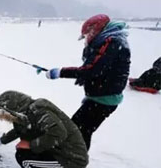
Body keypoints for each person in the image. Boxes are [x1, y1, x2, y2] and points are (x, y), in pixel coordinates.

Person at [45, 14, 131, 149]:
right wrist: (86, 78)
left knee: (79, 130)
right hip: (101, 97)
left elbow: (91, 69)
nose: (86, 40)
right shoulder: (112, 41)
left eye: (86, 36)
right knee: (79, 128)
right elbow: (101, 70)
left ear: (94, 31)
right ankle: (72, 156)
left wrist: (60, 72)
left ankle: (74, 160)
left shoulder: (111, 43)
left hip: (103, 99)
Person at [0, 91, 89, 168]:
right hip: (57, 150)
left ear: (13, 109)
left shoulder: (39, 111)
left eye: (6, 116)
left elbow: (59, 133)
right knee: (22, 153)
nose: (7, 120)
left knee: (26, 161)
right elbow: (19, 130)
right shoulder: (25, 113)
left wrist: (30, 144)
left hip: (71, 160)